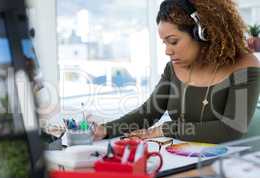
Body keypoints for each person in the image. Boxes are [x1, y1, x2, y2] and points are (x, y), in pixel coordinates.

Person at [93, 0, 260, 143]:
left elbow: (231, 130)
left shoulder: (245, 65)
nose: (167, 51)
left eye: (173, 41)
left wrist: (167, 129)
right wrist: (106, 130)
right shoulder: (174, 67)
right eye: (164, 43)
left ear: (203, 33)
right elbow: (150, 111)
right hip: (181, 158)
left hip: (226, 166)